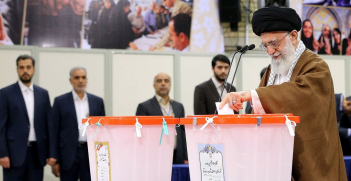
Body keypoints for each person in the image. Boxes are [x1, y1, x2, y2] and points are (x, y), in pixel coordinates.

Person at [219, 6, 347, 180]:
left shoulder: (316, 66)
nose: (270, 51)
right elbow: (261, 109)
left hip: (312, 163)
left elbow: (300, 96)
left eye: (274, 43)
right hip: (279, 163)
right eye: (266, 45)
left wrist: (250, 95)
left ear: (293, 36)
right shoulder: (272, 71)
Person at [0, 55, 57, 181]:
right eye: (21, 67)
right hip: (13, 155)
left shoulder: (43, 94)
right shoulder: (5, 93)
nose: (25, 71)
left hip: (37, 154)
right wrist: (2, 153)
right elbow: (1, 126)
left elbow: (50, 126)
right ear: (17, 70)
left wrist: (52, 153)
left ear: (34, 70)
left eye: (28, 67)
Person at [51, 67, 105, 181]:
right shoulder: (60, 101)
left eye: (83, 77)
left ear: (86, 80)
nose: (80, 80)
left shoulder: (97, 101)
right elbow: (54, 131)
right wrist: (55, 159)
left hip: (89, 153)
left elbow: (102, 131)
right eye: (77, 78)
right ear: (71, 80)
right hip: (68, 154)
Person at [136, 72, 188, 164]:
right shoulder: (144, 107)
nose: (163, 83)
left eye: (166, 81)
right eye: (159, 81)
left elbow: (183, 133)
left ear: (170, 85)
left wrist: (185, 157)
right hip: (155, 157)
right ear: (154, 85)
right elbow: (141, 136)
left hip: (177, 156)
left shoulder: (178, 107)